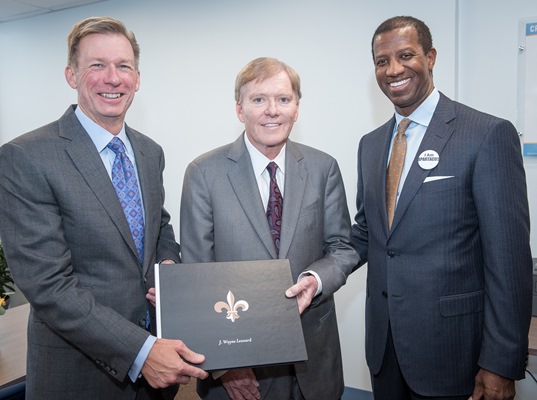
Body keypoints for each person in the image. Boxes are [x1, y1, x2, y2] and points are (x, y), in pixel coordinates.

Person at [0, 16, 208, 400]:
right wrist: (142, 352)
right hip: (78, 375)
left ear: (138, 78)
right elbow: (49, 286)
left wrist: (168, 267)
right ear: (71, 75)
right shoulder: (26, 157)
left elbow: (158, 227)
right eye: (97, 65)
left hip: (155, 378)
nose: (113, 78)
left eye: (123, 66)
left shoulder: (149, 152)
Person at [351, 15, 533, 400]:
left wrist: (500, 361)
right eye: (382, 61)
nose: (393, 69)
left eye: (405, 55)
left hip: (454, 354)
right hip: (385, 351)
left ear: (430, 57)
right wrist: (314, 272)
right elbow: (368, 234)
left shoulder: (485, 135)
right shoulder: (369, 145)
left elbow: (510, 260)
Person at [178, 57, 358, 400]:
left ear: (297, 108)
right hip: (238, 369)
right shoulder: (203, 173)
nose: (272, 110)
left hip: (314, 359)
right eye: (259, 99)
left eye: (283, 99)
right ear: (239, 109)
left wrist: (315, 280)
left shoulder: (323, 168)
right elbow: (196, 276)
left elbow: (342, 248)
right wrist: (227, 365)